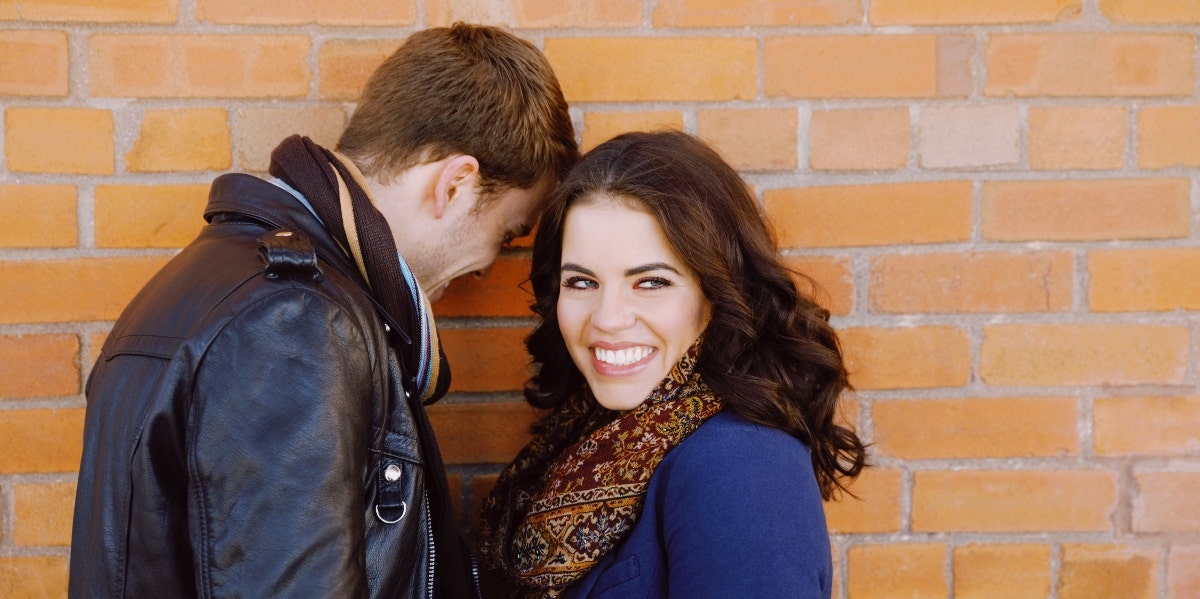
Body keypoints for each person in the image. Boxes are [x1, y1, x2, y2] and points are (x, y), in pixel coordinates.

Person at [69, 23, 577, 599]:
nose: (489, 263)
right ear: (455, 184)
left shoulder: (221, 280)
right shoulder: (292, 322)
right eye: (508, 233)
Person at [477, 130, 867, 598]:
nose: (608, 319)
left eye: (651, 282)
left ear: (716, 292)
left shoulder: (741, 462)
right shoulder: (593, 434)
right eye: (582, 282)